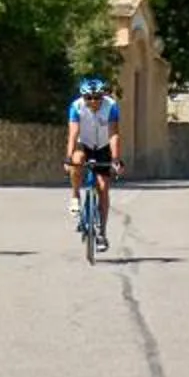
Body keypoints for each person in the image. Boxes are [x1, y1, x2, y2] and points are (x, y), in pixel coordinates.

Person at [65, 74, 121, 250]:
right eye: (88, 98)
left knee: (103, 188)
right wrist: (68, 157)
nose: (93, 101)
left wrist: (115, 159)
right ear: (83, 97)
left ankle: (102, 233)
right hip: (85, 144)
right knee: (77, 159)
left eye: (97, 98)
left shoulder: (111, 107)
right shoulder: (76, 107)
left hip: (103, 146)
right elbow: (73, 133)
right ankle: (75, 195)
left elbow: (113, 134)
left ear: (103, 96)